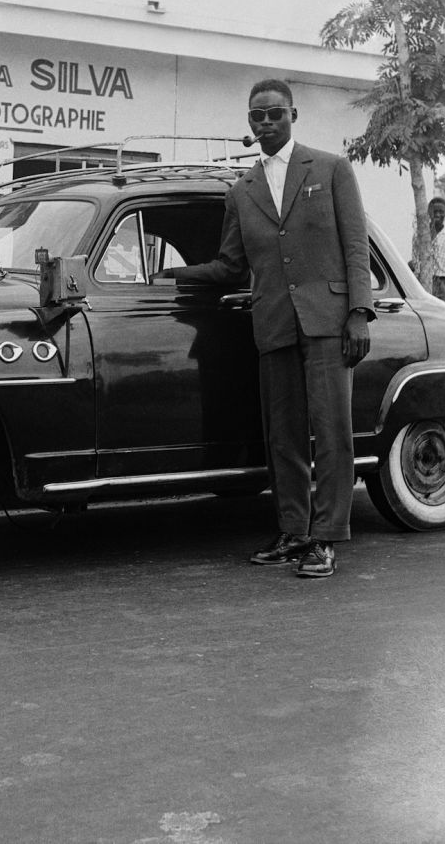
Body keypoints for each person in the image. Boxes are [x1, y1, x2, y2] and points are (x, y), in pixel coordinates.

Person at [155, 79, 373, 579]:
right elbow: (231, 266)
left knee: (332, 432)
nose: (267, 123)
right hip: (272, 321)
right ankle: (294, 531)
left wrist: (359, 312)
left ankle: (327, 538)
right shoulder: (241, 191)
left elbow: (355, 247)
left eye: (275, 114)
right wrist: (174, 274)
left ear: (293, 114)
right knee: (284, 436)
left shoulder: (332, 169)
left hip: (328, 322)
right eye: (258, 116)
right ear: (249, 122)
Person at [428, 196, 445, 300]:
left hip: (444, 282)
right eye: (434, 211)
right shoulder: (421, 235)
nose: (437, 214)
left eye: (441, 211)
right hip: (424, 281)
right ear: (429, 212)